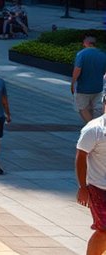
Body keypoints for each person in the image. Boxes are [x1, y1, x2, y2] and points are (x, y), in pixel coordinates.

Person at [77, 102, 106, 255]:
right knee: (104, 230)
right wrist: (82, 187)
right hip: (99, 189)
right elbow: (81, 157)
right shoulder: (94, 129)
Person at [73, 36, 106, 122]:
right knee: (92, 108)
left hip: (83, 88)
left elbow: (77, 70)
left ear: (87, 43)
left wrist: (73, 83)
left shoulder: (81, 54)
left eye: (83, 43)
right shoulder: (103, 54)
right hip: (98, 88)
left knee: (82, 108)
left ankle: (92, 126)